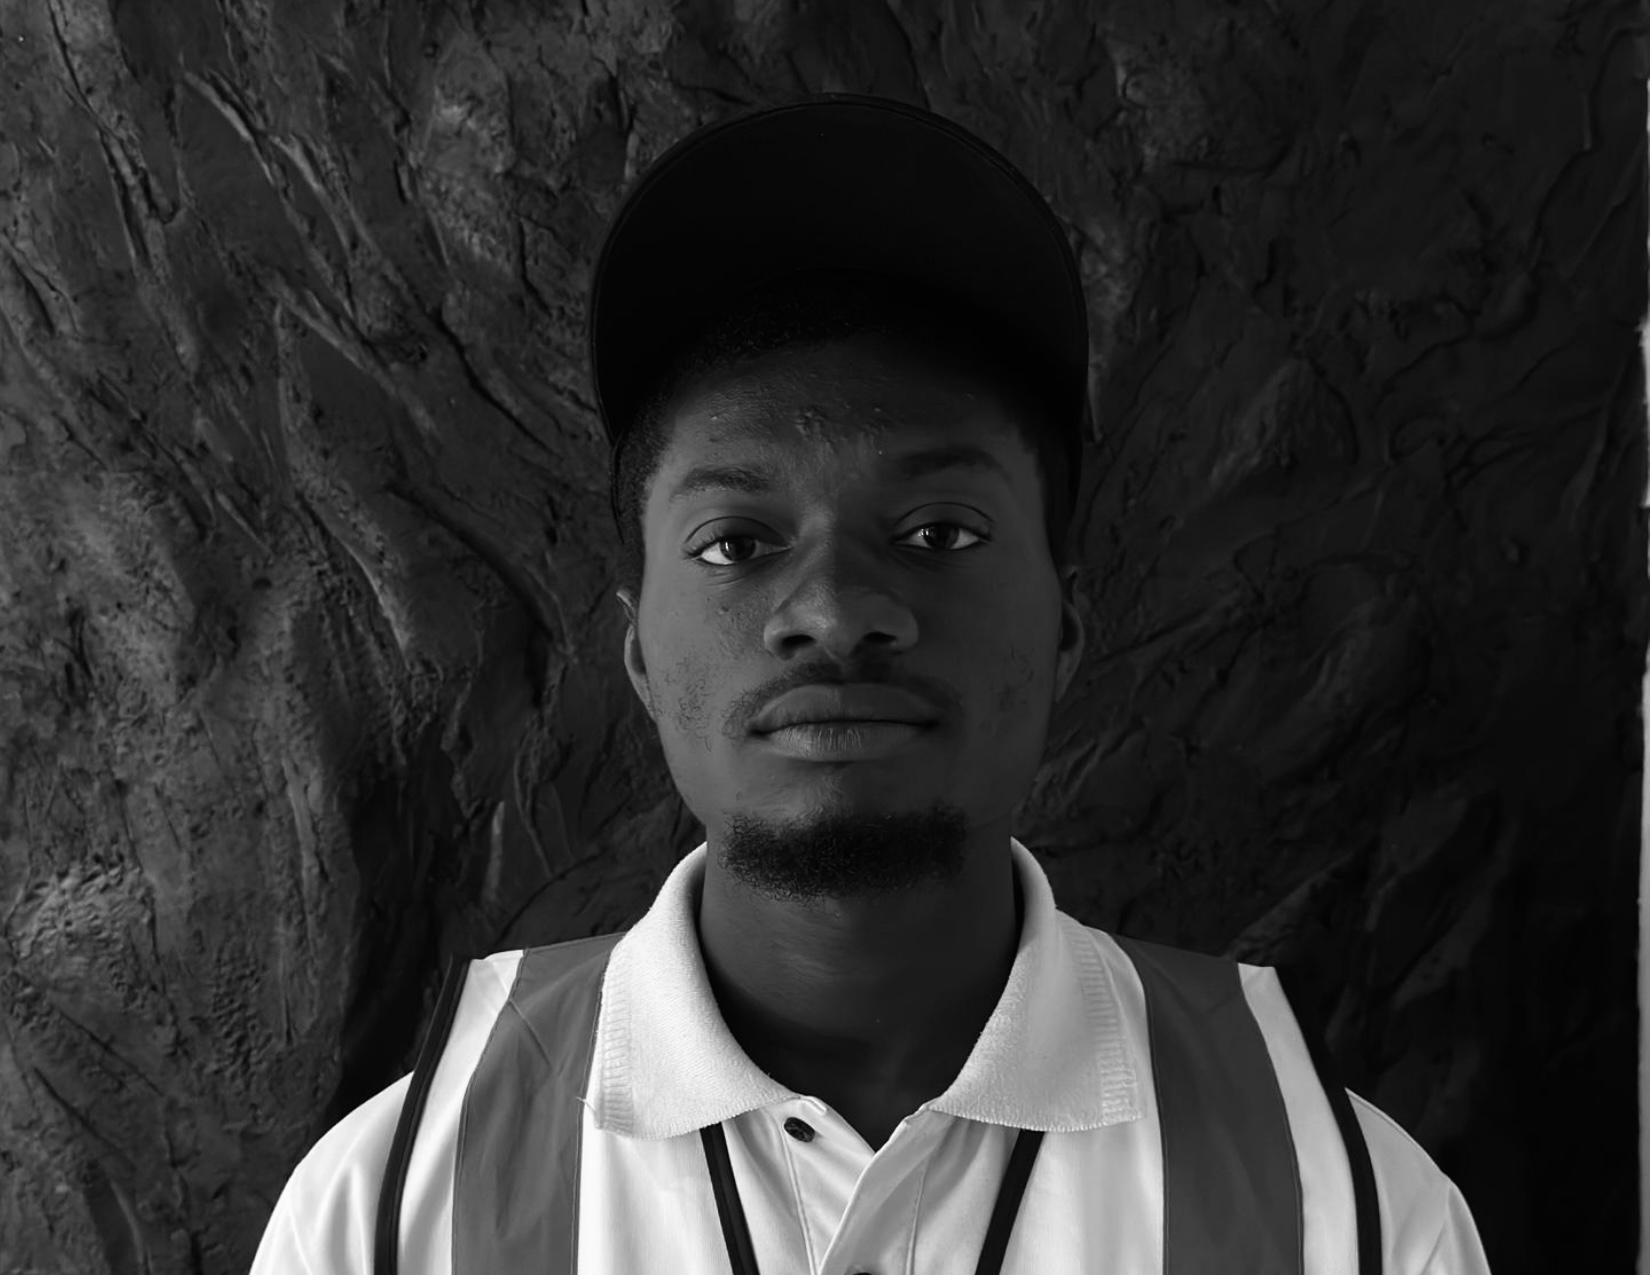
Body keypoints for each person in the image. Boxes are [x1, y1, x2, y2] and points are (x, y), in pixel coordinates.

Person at [251, 94, 1492, 1275]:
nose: (838, 612)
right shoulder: (384, 1213)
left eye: (939, 532)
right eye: (737, 543)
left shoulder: (1348, 1210)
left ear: (1066, 628)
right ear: (638, 654)